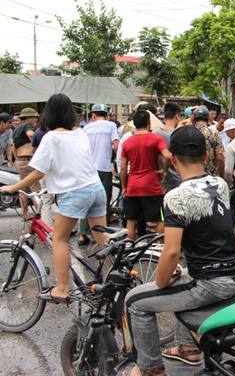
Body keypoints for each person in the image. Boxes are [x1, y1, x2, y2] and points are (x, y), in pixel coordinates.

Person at [124, 126, 235, 376]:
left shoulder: (175, 197)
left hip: (212, 283)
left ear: (172, 158)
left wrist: (162, 280)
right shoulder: (221, 184)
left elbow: (170, 252)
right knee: (184, 275)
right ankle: (188, 349)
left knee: (135, 300)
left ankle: (150, 369)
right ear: (205, 156)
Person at [0, 94, 108, 302]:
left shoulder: (51, 137)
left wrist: (13, 187)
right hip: (96, 189)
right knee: (103, 240)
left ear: (48, 114)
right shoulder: (80, 133)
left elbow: (37, 172)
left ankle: (62, 288)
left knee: (58, 239)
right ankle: (123, 273)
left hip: (76, 192)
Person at [120, 110, 171, 239]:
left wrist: (124, 187)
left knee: (131, 221)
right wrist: (164, 171)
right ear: (149, 122)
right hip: (151, 186)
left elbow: (123, 168)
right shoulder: (156, 138)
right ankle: (160, 248)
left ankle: (129, 249)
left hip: (133, 186)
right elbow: (167, 156)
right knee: (159, 219)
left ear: (134, 124)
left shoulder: (127, 142)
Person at [77, 104, 120, 244]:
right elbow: (116, 146)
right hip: (104, 169)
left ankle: (83, 235)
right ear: (107, 115)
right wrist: (117, 164)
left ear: (93, 115)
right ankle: (101, 235)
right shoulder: (111, 126)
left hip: (87, 170)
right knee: (103, 201)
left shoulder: (86, 128)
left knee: (86, 201)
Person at [13, 107, 41, 219]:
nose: (36, 120)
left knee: (24, 189)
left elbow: (14, 147)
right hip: (28, 160)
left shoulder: (16, 129)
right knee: (36, 189)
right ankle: (40, 216)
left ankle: (25, 213)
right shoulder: (26, 126)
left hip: (20, 160)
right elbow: (31, 134)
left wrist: (16, 159)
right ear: (30, 118)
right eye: (35, 117)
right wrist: (36, 145)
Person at [153, 102, 183, 194]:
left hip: (159, 180)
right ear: (177, 116)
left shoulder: (154, 133)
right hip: (177, 180)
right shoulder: (179, 134)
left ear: (164, 116)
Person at [192, 106, 225, 178]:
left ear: (194, 119)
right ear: (207, 119)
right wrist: (223, 174)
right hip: (212, 176)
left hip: (193, 175)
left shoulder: (189, 133)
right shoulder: (214, 134)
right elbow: (220, 158)